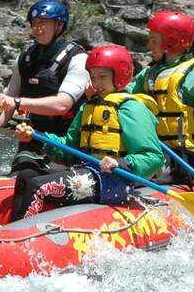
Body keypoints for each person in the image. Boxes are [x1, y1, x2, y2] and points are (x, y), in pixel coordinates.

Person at [11, 44, 165, 220]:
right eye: (92, 77)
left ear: (120, 76)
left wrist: (121, 163)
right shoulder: (88, 107)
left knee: (40, 186)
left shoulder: (131, 108)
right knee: (26, 176)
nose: (96, 83)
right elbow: (70, 149)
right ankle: (10, 228)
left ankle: (21, 238)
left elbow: (153, 157)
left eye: (102, 77)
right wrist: (38, 138)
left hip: (113, 181)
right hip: (85, 172)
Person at [128, 10, 194, 190]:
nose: (148, 46)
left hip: (190, 161)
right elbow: (124, 96)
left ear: (171, 43)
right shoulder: (150, 74)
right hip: (159, 155)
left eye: (153, 40)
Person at [0, 0, 89, 168]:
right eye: (34, 23)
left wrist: (18, 102)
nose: (37, 28)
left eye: (43, 23)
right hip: (32, 137)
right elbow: (7, 105)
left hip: (66, 144)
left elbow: (62, 105)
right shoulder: (25, 58)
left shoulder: (78, 59)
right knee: (23, 176)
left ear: (59, 25)